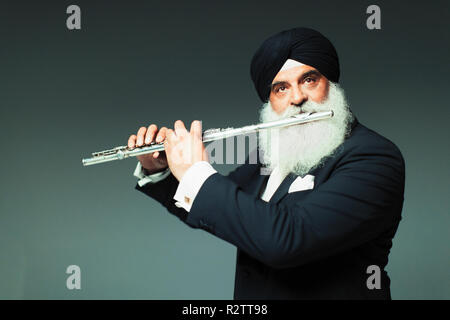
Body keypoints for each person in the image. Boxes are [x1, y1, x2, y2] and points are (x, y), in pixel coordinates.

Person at [128, 27, 405, 299]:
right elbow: (219, 208)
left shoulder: (373, 158)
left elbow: (289, 240)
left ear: (330, 84)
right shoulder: (273, 154)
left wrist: (196, 170)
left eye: (309, 80)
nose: (297, 98)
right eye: (281, 88)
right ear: (270, 102)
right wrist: (162, 170)